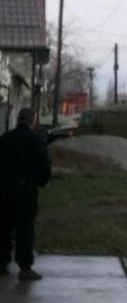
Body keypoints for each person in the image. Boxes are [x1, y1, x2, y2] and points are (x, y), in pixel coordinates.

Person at [0, 108, 52, 281]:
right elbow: (44, 166)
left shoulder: (4, 139)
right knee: (24, 229)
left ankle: (1, 264)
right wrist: (41, 182)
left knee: (4, 227)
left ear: (18, 120)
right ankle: (24, 268)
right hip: (25, 190)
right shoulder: (36, 141)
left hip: (4, 189)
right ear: (32, 121)